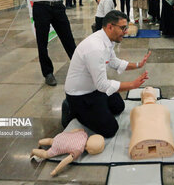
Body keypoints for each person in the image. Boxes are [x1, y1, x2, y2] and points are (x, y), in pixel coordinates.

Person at [62, 10, 152, 138]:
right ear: (110, 26)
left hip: (93, 88)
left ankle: (96, 109)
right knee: (110, 129)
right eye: (123, 28)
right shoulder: (95, 48)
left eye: (125, 28)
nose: (125, 32)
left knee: (118, 106)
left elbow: (114, 61)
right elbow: (102, 85)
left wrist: (138, 65)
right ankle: (71, 108)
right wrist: (132, 85)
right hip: (80, 95)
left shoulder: (107, 39)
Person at [21, 0, 76, 86]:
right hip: (41, 8)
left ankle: (80, 67)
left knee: (68, 39)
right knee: (42, 42)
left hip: (58, 6)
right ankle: (48, 73)